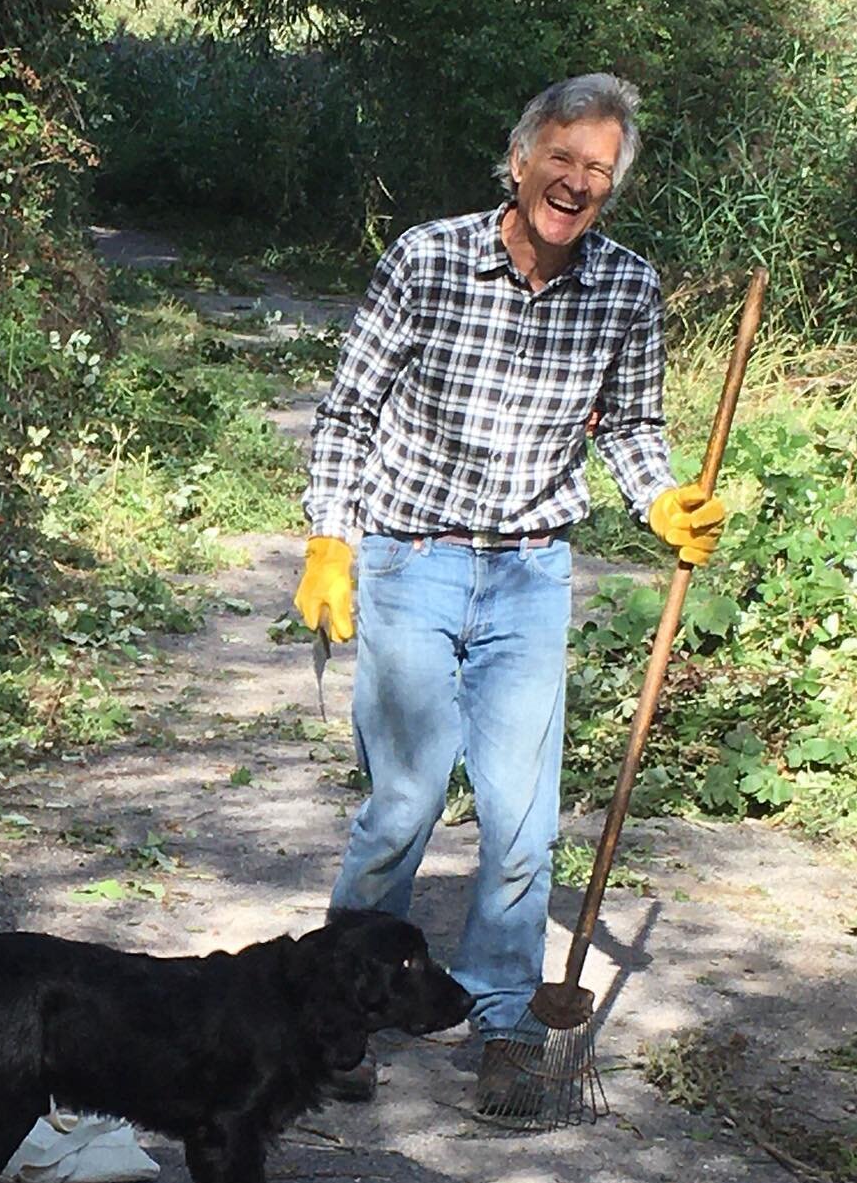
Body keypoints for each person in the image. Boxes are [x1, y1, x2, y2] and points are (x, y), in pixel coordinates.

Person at [293, 74, 725, 1110]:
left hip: (532, 571)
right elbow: (350, 412)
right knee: (401, 805)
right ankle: (333, 1017)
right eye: (562, 160)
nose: (575, 185)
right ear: (522, 156)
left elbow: (629, 426)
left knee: (522, 822)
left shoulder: (625, 287)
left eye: (599, 172)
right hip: (412, 557)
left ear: (612, 189)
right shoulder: (430, 258)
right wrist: (330, 540)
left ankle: (502, 1023)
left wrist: (663, 500)